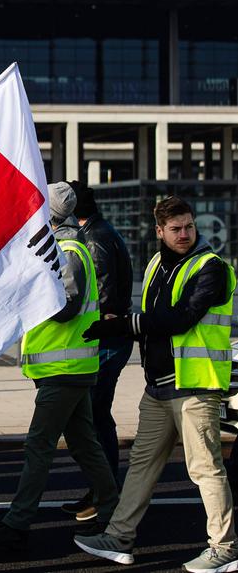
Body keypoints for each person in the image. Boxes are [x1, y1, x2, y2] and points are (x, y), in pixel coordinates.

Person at [74, 195, 238, 572]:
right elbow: (152, 319)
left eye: (189, 226)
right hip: (159, 386)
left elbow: (181, 318)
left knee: (205, 469)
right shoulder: (155, 265)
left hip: (195, 386)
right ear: (160, 231)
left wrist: (124, 324)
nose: (185, 234)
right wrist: (123, 321)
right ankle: (119, 537)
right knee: (142, 465)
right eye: (176, 229)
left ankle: (225, 547)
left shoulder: (210, 267)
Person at [0, 181, 118, 551]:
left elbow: (66, 305)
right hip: (68, 366)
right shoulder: (66, 246)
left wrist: (25, 301)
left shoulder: (66, 250)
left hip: (63, 369)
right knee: (85, 444)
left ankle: (17, 523)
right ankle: (115, 508)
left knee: (40, 444)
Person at [61, 180, 133, 522]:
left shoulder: (93, 238)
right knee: (94, 415)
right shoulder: (101, 231)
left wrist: (87, 322)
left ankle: (105, 494)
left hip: (106, 341)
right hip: (109, 339)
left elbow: (101, 290)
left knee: (94, 416)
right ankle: (101, 490)